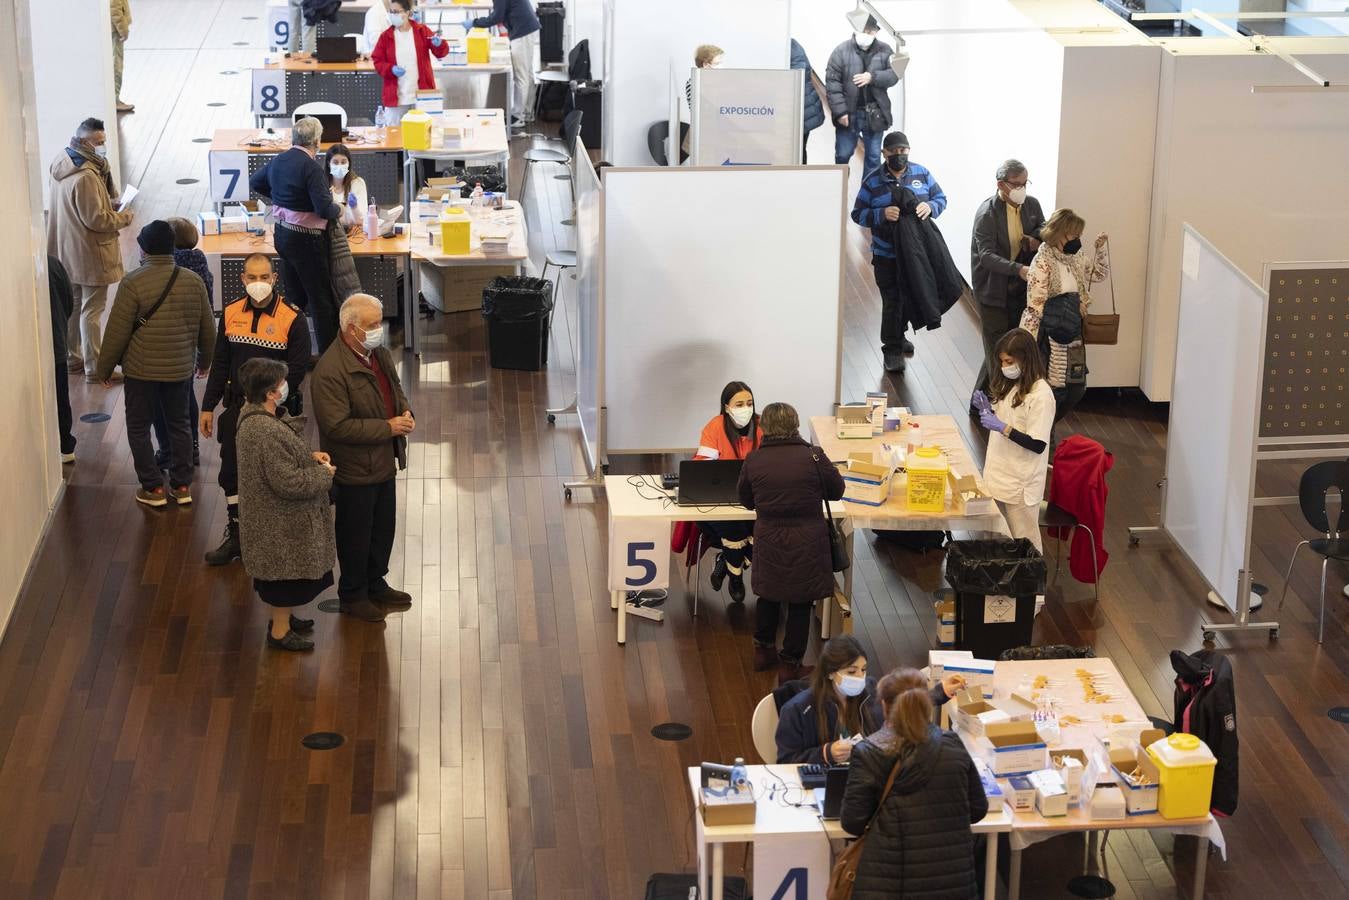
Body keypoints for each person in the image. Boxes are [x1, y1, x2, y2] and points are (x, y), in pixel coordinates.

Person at [201, 254, 312, 566]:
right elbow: (220, 362)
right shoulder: (232, 312)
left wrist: (269, 404)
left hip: (276, 412)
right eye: (252, 277)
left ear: (275, 279)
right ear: (243, 279)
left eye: (265, 277)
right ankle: (237, 535)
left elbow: (297, 370)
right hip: (237, 410)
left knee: (276, 476)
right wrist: (207, 406)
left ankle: (276, 538)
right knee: (231, 474)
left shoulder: (292, 318)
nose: (259, 283)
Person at [94, 221, 215, 508]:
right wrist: (205, 361)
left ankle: (153, 488)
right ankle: (182, 485)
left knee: (138, 427)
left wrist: (104, 368)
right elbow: (208, 329)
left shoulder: (133, 282)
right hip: (179, 368)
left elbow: (116, 332)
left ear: (144, 248)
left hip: (140, 371)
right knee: (180, 425)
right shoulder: (192, 281)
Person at [840, 668, 988, 900]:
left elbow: (853, 823)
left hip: (887, 884)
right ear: (925, 703)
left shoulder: (869, 752)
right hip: (953, 883)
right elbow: (978, 809)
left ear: (884, 706)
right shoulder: (951, 744)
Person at [312, 294, 415, 622]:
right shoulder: (330, 371)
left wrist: (405, 409)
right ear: (351, 329)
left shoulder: (377, 353)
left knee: (383, 528)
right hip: (355, 470)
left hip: (383, 461)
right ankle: (353, 593)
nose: (378, 330)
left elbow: (394, 387)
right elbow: (337, 426)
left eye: (378, 323)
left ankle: (375, 582)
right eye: (371, 325)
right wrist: (388, 427)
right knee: (356, 533)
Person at [736, 402, 844, 680]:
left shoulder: (754, 461)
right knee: (799, 601)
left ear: (764, 428)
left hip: (769, 539)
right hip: (808, 541)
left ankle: (762, 651)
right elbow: (836, 491)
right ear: (795, 425)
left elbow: (746, 500)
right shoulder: (814, 457)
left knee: (768, 596)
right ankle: (790, 664)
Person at [234, 358, 336, 652]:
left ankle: (286, 620)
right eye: (281, 383)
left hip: (271, 519)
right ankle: (279, 631)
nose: (285, 386)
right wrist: (322, 474)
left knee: (284, 577)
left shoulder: (256, 419)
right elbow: (289, 483)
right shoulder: (265, 431)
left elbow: (278, 463)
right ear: (269, 393)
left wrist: (309, 457)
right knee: (283, 580)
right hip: (279, 524)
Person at [850, 131, 952, 373]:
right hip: (887, 257)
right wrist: (881, 214)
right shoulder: (872, 182)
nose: (899, 155)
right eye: (894, 152)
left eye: (903, 151)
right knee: (893, 302)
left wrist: (931, 206)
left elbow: (941, 198)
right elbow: (857, 214)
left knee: (910, 297)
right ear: (884, 153)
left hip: (917, 255)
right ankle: (892, 349)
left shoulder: (922, 173)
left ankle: (900, 336)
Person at [775, 636, 964, 765]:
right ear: (830, 673)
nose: (860, 677)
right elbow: (786, 761)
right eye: (851, 671)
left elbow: (904, 705)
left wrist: (941, 692)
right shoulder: (798, 710)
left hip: (868, 773)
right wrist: (826, 753)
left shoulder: (869, 691)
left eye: (863, 669)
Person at [47, 117, 135, 382]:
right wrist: (125, 217)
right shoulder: (86, 176)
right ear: (85, 141)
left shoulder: (62, 160)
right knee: (92, 310)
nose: (103, 147)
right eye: (99, 143)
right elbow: (96, 219)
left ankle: (73, 358)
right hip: (90, 252)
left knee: (73, 306)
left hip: (67, 247)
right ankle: (95, 367)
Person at [249, 116, 342, 352]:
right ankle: (329, 357)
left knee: (294, 298)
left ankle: (288, 350)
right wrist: (338, 208)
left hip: (282, 235)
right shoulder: (311, 167)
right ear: (316, 141)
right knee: (321, 302)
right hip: (307, 241)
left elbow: (255, 182)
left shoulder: (279, 160)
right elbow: (324, 209)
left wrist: (282, 198)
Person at [1020, 208, 1108, 423]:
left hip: (1073, 333)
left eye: (1079, 235)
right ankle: (1044, 436)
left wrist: (1101, 250)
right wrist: (1027, 344)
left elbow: (1099, 274)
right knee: (1051, 390)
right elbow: (1035, 307)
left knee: (1077, 388)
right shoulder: (1042, 262)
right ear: (1058, 233)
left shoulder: (1077, 257)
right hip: (1046, 335)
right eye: (1073, 235)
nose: (1077, 240)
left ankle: (1046, 426)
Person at [972, 328, 1055, 553]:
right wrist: (988, 410)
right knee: (999, 538)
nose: (1005, 367)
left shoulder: (1041, 396)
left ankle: (1032, 588)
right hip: (1000, 473)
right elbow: (1006, 414)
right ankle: (1000, 587)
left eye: (1009, 361)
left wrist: (1003, 428)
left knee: (1025, 541)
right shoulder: (1013, 385)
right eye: (1001, 361)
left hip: (1021, 481)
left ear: (1025, 360)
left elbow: (1037, 444)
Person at [971, 160, 1045, 395]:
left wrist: (1036, 240)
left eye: (1025, 184)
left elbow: (1043, 230)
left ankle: (979, 401)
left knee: (1006, 345)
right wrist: (1019, 269)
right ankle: (1000, 404)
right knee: (998, 350)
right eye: (1016, 185)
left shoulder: (1031, 205)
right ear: (1001, 185)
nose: (1022, 189)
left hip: (1019, 290)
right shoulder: (987, 214)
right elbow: (987, 257)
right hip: (993, 290)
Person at [151, 217, 214, 471]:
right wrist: (204, 357)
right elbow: (207, 314)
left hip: (165, 345)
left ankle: (168, 452)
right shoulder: (201, 266)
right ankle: (193, 448)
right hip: (190, 343)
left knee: (162, 403)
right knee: (187, 396)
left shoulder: (164, 268)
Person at [691, 381, 762, 604]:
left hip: (754, 501)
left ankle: (728, 562)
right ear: (726, 406)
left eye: (749, 403)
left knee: (764, 526)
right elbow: (702, 466)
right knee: (735, 527)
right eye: (739, 403)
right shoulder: (715, 426)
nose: (746, 408)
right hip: (719, 503)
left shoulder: (762, 426)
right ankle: (736, 577)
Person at [825, 16, 897, 177]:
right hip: (849, 113)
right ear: (856, 30)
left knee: (873, 157)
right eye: (864, 30)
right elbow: (832, 83)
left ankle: (868, 196)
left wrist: (872, 77)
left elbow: (894, 75)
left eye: (871, 31)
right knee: (843, 154)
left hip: (875, 113)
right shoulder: (841, 51)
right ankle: (839, 188)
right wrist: (840, 112)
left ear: (876, 32)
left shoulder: (885, 51)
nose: (867, 34)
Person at [372, 0, 450, 124]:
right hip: (396, 98)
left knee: (424, 134)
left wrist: (440, 44)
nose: (393, 15)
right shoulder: (385, 37)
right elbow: (377, 61)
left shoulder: (422, 31)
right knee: (395, 137)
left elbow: (441, 53)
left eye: (397, 12)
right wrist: (390, 69)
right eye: (391, 12)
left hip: (422, 95)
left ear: (408, 13)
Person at [471, 0, 541, 130]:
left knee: (521, 76)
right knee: (527, 72)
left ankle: (518, 117)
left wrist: (474, 23)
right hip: (528, 27)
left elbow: (497, 17)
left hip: (523, 31)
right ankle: (527, 113)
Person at [47, 256, 77, 463]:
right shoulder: (51, 263)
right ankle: (65, 445)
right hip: (55, 342)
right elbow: (69, 302)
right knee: (60, 397)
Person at [790, 39, 826, 164]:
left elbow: (794, 78)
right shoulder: (793, 45)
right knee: (799, 151)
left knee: (798, 152)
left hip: (802, 111)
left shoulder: (791, 49)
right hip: (803, 109)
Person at [326, 143, 369, 228]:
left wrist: (354, 208)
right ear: (328, 163)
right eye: (335, 162)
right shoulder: (322, 183)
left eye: (343, 162)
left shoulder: (358, 183)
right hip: (329, 234)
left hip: (353, 233)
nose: (339, 166)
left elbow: (361, 221)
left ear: (349, 163)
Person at [684, 44, 723, 111]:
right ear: (705, 65)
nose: (721, 66)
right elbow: (698, 111)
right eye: (717, 63)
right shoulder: (693, 84)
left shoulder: (719, 80)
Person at [111, 0, 133, 112]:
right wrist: (123, 30)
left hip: (113, 29)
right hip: (115, 31)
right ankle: (114, 101)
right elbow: (114, 10)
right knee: (116, 64)